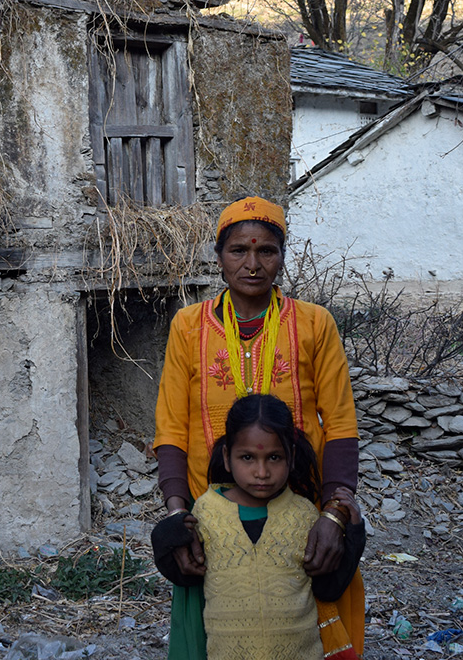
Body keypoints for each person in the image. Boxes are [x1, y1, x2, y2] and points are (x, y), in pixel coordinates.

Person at [152, 195, 365, 659]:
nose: (253, 264)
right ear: (218, 257)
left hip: (302, 513)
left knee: (308, 631)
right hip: (212, 521)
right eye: (238, 251)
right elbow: (170, 425)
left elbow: (342, 422)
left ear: (282, 258)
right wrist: (176, 516)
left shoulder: (314, 324)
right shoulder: (188, 327)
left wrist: (333, 514)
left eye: (266, 251)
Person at [183, 394, 363, 660]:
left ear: (290, 457)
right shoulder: (206, 512)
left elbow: (328, 589)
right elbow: (185, 580)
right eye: (247, 457)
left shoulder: (303, 515)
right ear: (226, 457)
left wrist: (355, 532)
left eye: (274, 458)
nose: (262, 472)